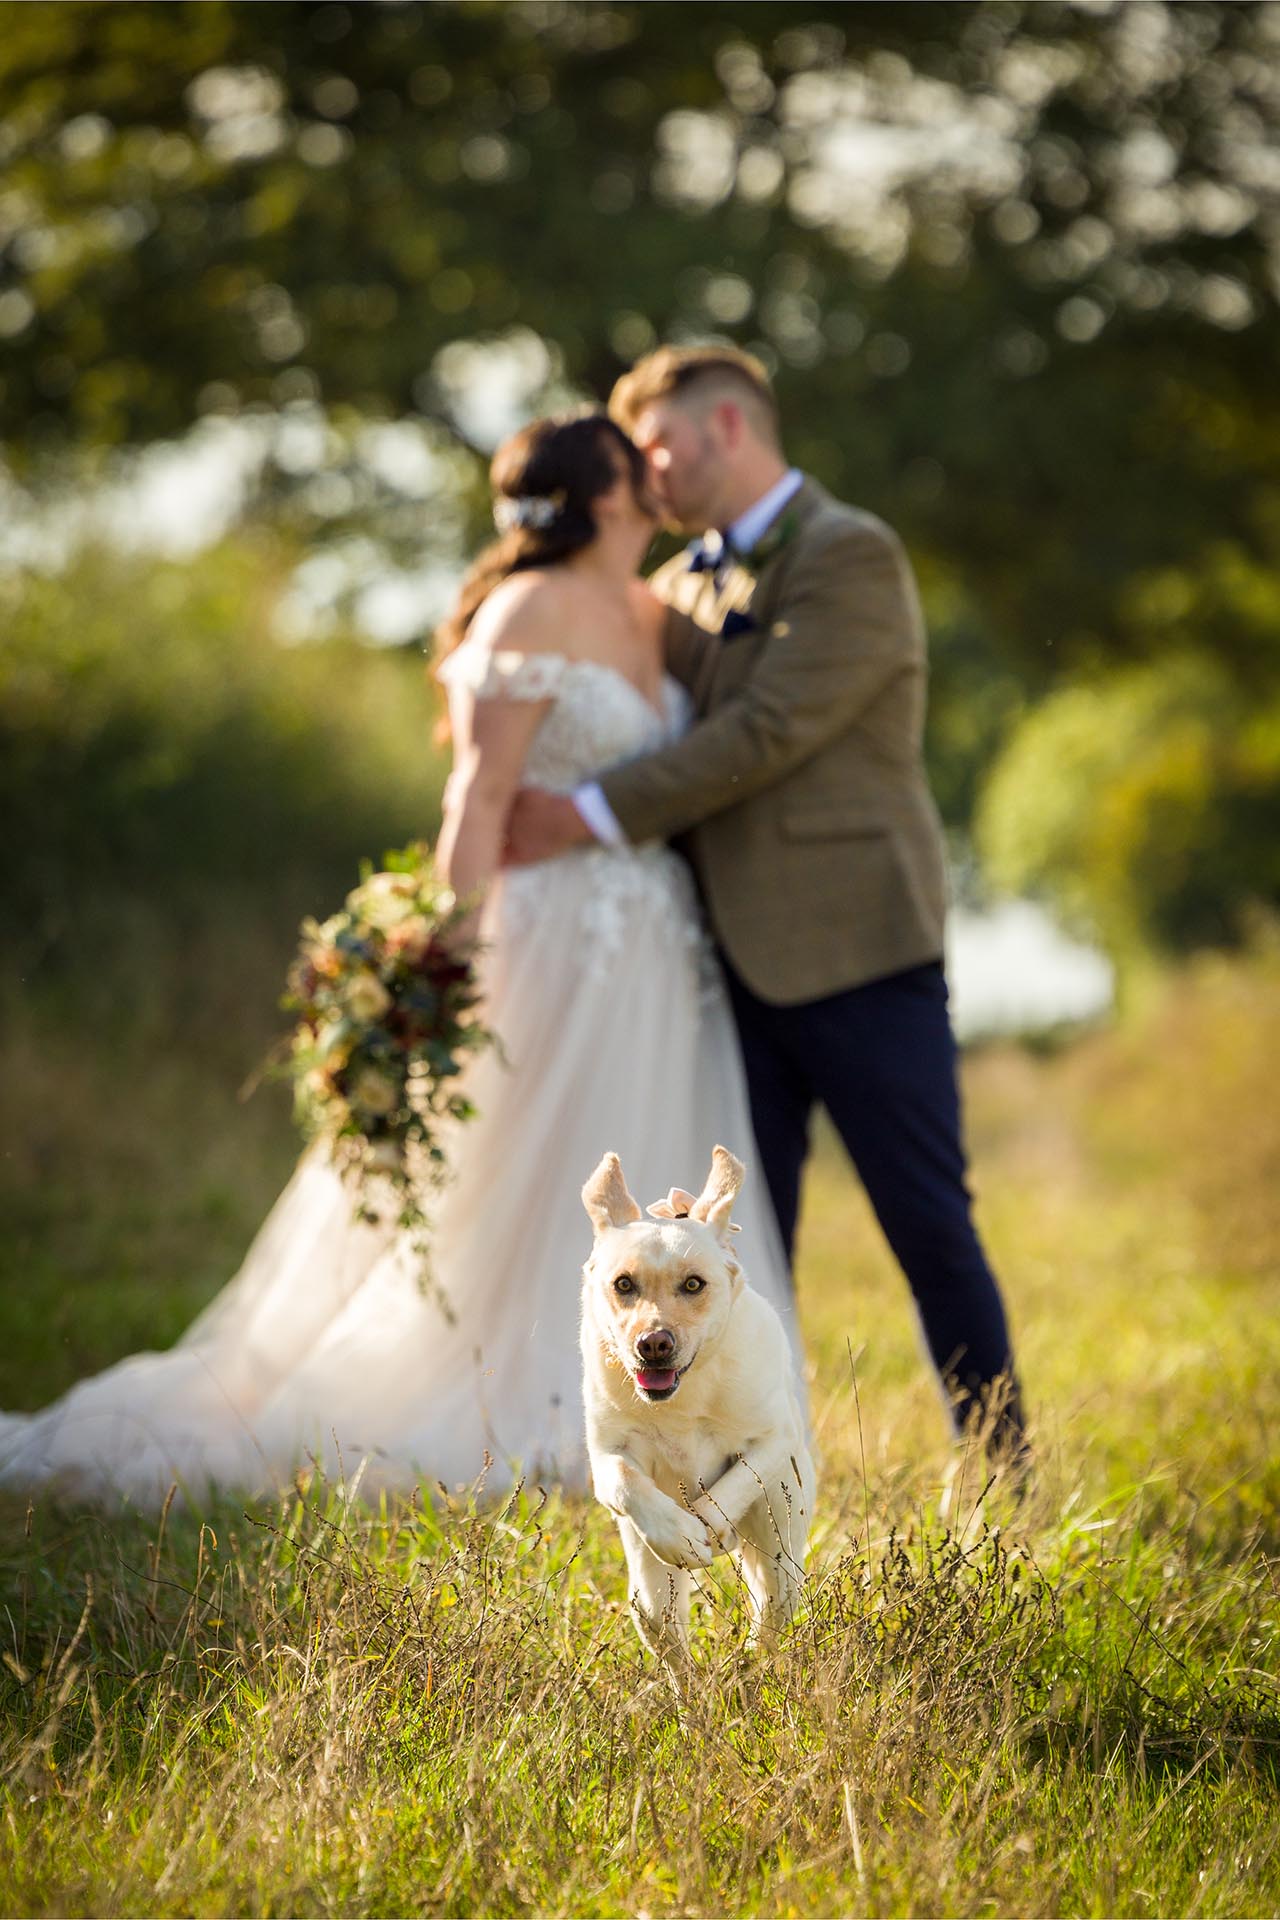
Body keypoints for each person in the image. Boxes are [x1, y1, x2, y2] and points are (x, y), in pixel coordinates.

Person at [0, 411, 798, 1508]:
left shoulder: (651, 611)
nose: (655, 472)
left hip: (657, 950)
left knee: (637, 1144)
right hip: (550, 937)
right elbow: (476, 793)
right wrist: (439, 952)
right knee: (513, 1173)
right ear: (604, 493)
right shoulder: (524, 608)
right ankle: (509, 1396)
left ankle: (666, 1406)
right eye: (633, 459)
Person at [506, 346, 1025, 1458]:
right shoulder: (678, 581)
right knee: (735, 1248)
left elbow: (768, 732)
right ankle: (741, 1473)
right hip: (713, 965)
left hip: (858, 953)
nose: (647, 473)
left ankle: (1001, 1469)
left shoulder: (850, 552)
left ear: (726, 427)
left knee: (927, 1225)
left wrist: (588, 811)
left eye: (658, 444)